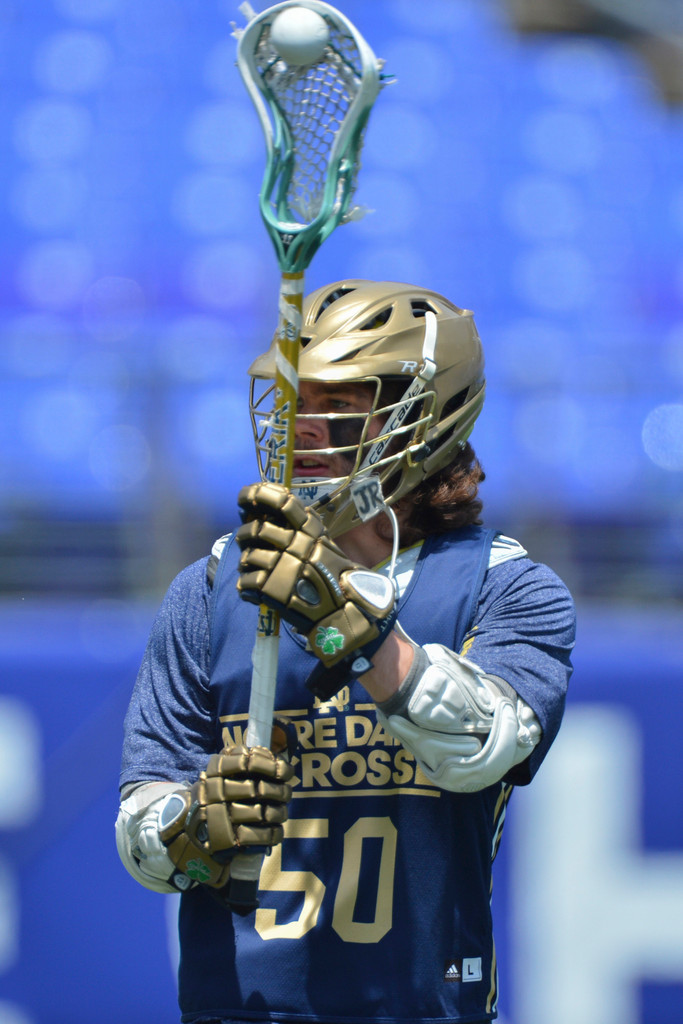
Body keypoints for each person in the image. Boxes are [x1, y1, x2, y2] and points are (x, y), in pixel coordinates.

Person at [116, 279, 575, 1024]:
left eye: (337, 402)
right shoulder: (206, 589)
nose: (301, 426)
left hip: (416, 1007)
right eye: (296, 397)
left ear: (421, 415)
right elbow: (141, 829)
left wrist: (348, 625)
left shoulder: (507, 587)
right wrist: (192, 825)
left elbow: (483, 746)